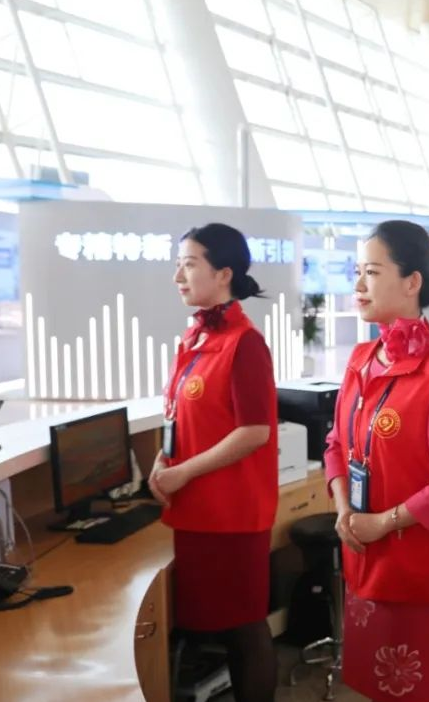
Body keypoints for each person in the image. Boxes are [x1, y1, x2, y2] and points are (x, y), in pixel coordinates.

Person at [322, 220, 429, 702]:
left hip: (415, 569)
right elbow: (336, 444)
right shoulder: (360, 359)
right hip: (363, 557)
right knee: (369, 688)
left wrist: (383, 522)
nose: (358, 284)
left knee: (407, 690)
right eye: (357, 271)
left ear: (412, 282)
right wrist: (344, 509)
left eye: (372, 272)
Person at [149, 222, 278, 702]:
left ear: (224, 273)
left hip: (230, 515)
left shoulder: (244, 342)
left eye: (189, 265)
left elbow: (255, 431)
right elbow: (182, 415)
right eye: (178, 264)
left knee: (244, 627)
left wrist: (182, 471)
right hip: (196, 510)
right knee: (218, 627)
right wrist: (162, 458)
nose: (178, 276)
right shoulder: (196, 338)